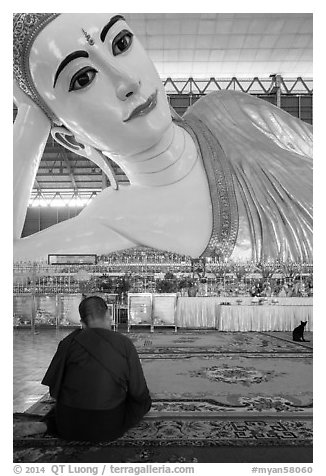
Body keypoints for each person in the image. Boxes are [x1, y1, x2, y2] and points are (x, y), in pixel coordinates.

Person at [13, 13, 312, 264]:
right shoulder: (113, 219)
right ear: (73, 141)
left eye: (121, 43)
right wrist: (30, 113)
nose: (127, 81)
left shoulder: (230, 111)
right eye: (83, 78)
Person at [42, 295, 152, 442]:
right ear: (108, 315)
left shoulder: (69, 342)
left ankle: (48, 425)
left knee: (62, 407)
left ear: (82, 323)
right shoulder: (124, 343)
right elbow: (138, 391)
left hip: (68, 425)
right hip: (108, 426)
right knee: (143, 403)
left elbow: (54, 390)